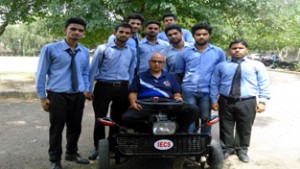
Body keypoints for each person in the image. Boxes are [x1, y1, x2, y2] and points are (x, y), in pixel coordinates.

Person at [36, 17, 90, 169]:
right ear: (65, 30)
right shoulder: (50, 49)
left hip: (78, 94)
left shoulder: (84, 52)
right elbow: (41, 73)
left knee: (75, 126)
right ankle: (55, 160)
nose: (76, 32)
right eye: (73, 29)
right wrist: (42, 97)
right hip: (57, 94)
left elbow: (85, 72)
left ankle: (71, 153)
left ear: (83, 34)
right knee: (57, 128)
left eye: (80, 30)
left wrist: (85, 89)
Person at [210, 40, 270, 163]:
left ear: (246, 50)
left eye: (240, 48)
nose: (237, 50)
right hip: (226, 100)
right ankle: (227, 148)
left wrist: (263, 101)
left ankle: (242, 149)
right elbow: (214, 83)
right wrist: (213, 100)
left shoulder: (257, 65)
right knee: (226, 126)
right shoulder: (222, 66)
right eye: (234, 48)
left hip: (247, 101)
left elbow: (264, 83)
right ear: (229, 50)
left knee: (245, 126)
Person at [88, 23, 136, 160]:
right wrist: (88, 89)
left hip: (123, 87)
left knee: (118, 119)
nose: (124, 35)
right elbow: (93, 69)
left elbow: (131, 72)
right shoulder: (103, 49)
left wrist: (131, 91)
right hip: (104, 86)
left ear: (131, 36)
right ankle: (98, 147)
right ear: (114, 33)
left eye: (127, 33)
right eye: (121, 32)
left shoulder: (132, 51)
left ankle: (114, 146)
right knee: (100, 117)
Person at [122, 53, 198, 133]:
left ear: (163, 63)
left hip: (167, 105)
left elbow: (176, 93)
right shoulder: (140, 76)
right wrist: (133, 103)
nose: (156, 64)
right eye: (154, 61)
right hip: (146, 105)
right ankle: (149, 131)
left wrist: (177, 98)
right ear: (149, 62)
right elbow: (133, 93)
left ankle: (177, 131)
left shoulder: (171, 77)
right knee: (126, 117)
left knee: (193, 109)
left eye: (160, 62)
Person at [176, 23, 226, 134]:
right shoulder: (185, 52)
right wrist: (179, 92)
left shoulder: (218, 52)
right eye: (198, 34)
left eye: (204, 34)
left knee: (205, 119)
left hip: (208, 91)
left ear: (209, 35)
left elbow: (221, 73)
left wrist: (217, 93)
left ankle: (204, 144)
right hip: (189, 91)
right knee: (190, 118)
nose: (201, 36)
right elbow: (179, 73)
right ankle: (190, 143)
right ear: (193, 36)